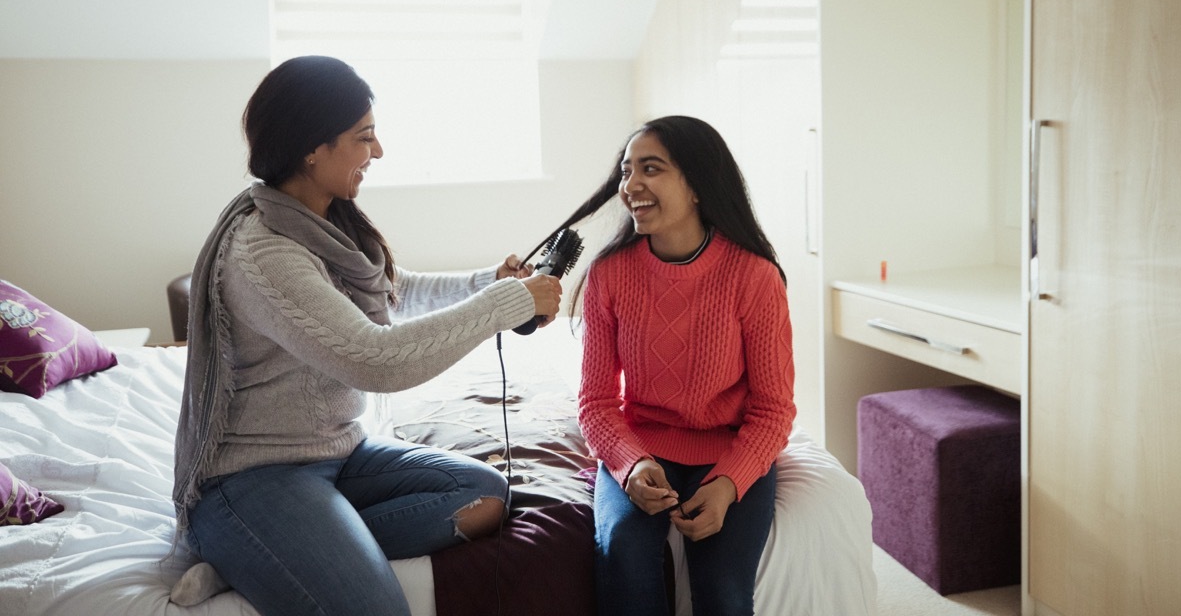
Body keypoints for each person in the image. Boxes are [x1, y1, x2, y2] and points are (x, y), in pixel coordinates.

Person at [171, 55, 561, 616]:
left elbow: (391, 287)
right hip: (254, 477)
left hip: (337, 453)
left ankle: (265, 555)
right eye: (364, 137)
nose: (377, 153)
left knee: (484, 495)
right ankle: (250, 543)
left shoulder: (318, 219)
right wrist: (503, 305)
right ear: (312, 147)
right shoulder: (263, 251)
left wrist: (487, 282)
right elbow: (376, 361)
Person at [546, 115, 795, 616]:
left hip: (728, 451)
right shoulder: (610, 275)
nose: (630, 186)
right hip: (642, 448)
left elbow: (773, 411)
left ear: (698, 184)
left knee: (724, 592)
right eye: (625, 171)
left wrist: (728, 485)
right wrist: (630, 464)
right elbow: (596, 403)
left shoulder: (754, 278)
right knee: (624, 556)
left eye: (650, 169)